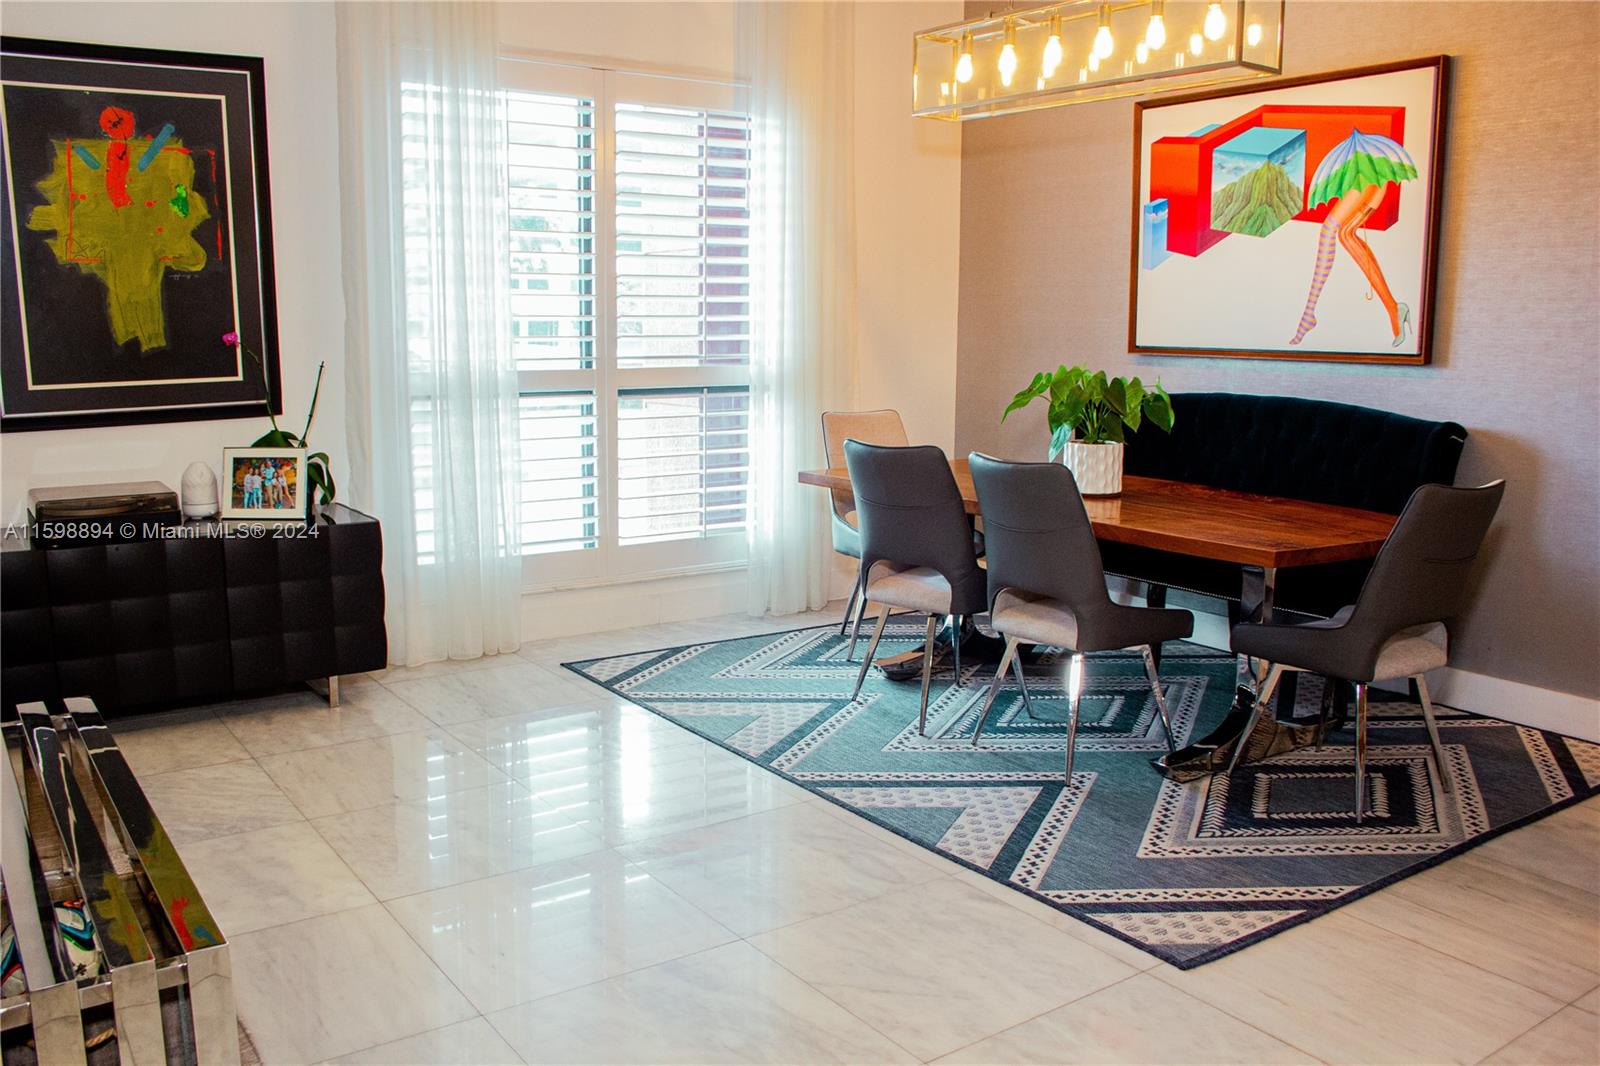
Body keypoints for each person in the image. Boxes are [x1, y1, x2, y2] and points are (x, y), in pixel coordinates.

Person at [1289, 127, 1418, 349]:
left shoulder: (1363, 160)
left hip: (1370, 177)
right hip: (1376, 179)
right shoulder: (1370, 156)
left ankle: (1308, 313)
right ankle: (1393, 308)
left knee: (1329, 230)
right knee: (1346, 234)